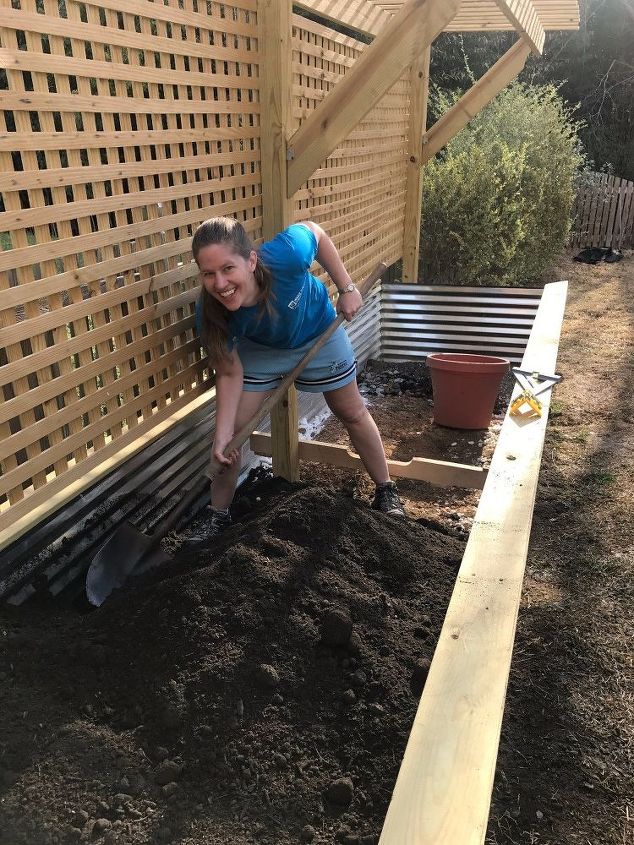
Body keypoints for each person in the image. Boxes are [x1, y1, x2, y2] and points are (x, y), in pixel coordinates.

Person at [188, 216, 405, 545]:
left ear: (251, 260)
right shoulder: (211, 312)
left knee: (351, 411)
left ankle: (386, 490)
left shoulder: (286, 256)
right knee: (230, 439)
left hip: (317, 330)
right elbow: (230, 372)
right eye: (208, 274)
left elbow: (316, 233)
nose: (220, 283)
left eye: (227, 268)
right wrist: (221, 435)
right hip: (260, 349)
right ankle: (218, 514)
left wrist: (346, 288)